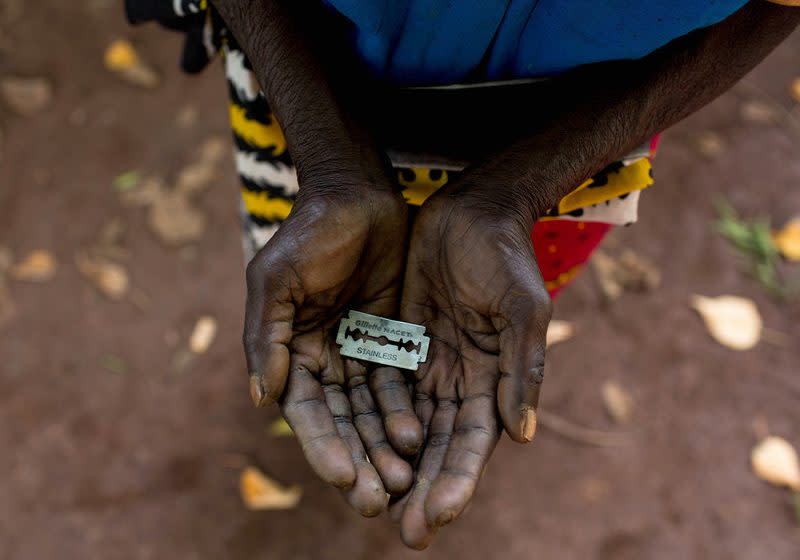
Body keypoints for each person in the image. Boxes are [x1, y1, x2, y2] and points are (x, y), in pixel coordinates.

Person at [127, 0, 800, 549]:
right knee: (302, 252)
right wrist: (331, 163)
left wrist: (512, 192)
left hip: (576, 140)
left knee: (513, 286)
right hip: (304, 88)